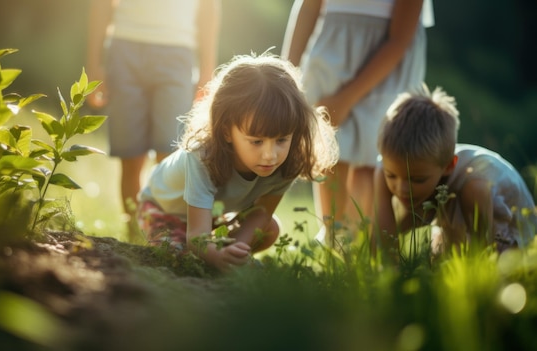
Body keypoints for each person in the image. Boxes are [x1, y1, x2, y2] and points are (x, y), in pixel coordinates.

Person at [135, 53, 339, 271]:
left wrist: (235, 250)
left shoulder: (288, 162)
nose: (270, 155)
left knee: (269, 229)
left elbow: (261, 214)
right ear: (226, 131)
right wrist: (215, 254)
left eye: (281, 139)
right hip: (163, 211)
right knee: (180, 256)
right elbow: (197, 237)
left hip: (212, 218)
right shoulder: (201, 157)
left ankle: (222, 263)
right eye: (256, 141)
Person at [281, 0, 434, 241]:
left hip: (385, 62)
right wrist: (286, 71)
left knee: (371, 158)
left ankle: (362, 245)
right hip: (333, 48)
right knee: (329, 150)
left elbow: (399, 40)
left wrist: (346, 98)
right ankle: (333, 239)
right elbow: (309, 7)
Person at [85, 0, 221, 237]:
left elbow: (208, 7)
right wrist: (93, 62)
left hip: (178, 52)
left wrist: (208, 68)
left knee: (171, 154)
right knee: (130, 157)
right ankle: (135, 235)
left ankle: (166, 235)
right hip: (124, 48)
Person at [373, 84, 537, 260]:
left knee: (470, 199)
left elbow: (483, 245)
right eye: (392, 176)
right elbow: (380, 243)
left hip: (506, 233)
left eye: (417, 179)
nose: (402, 187)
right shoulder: (388, 168)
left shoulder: (475, 180)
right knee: (410, 223)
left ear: (450, 165)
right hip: (452, 217)